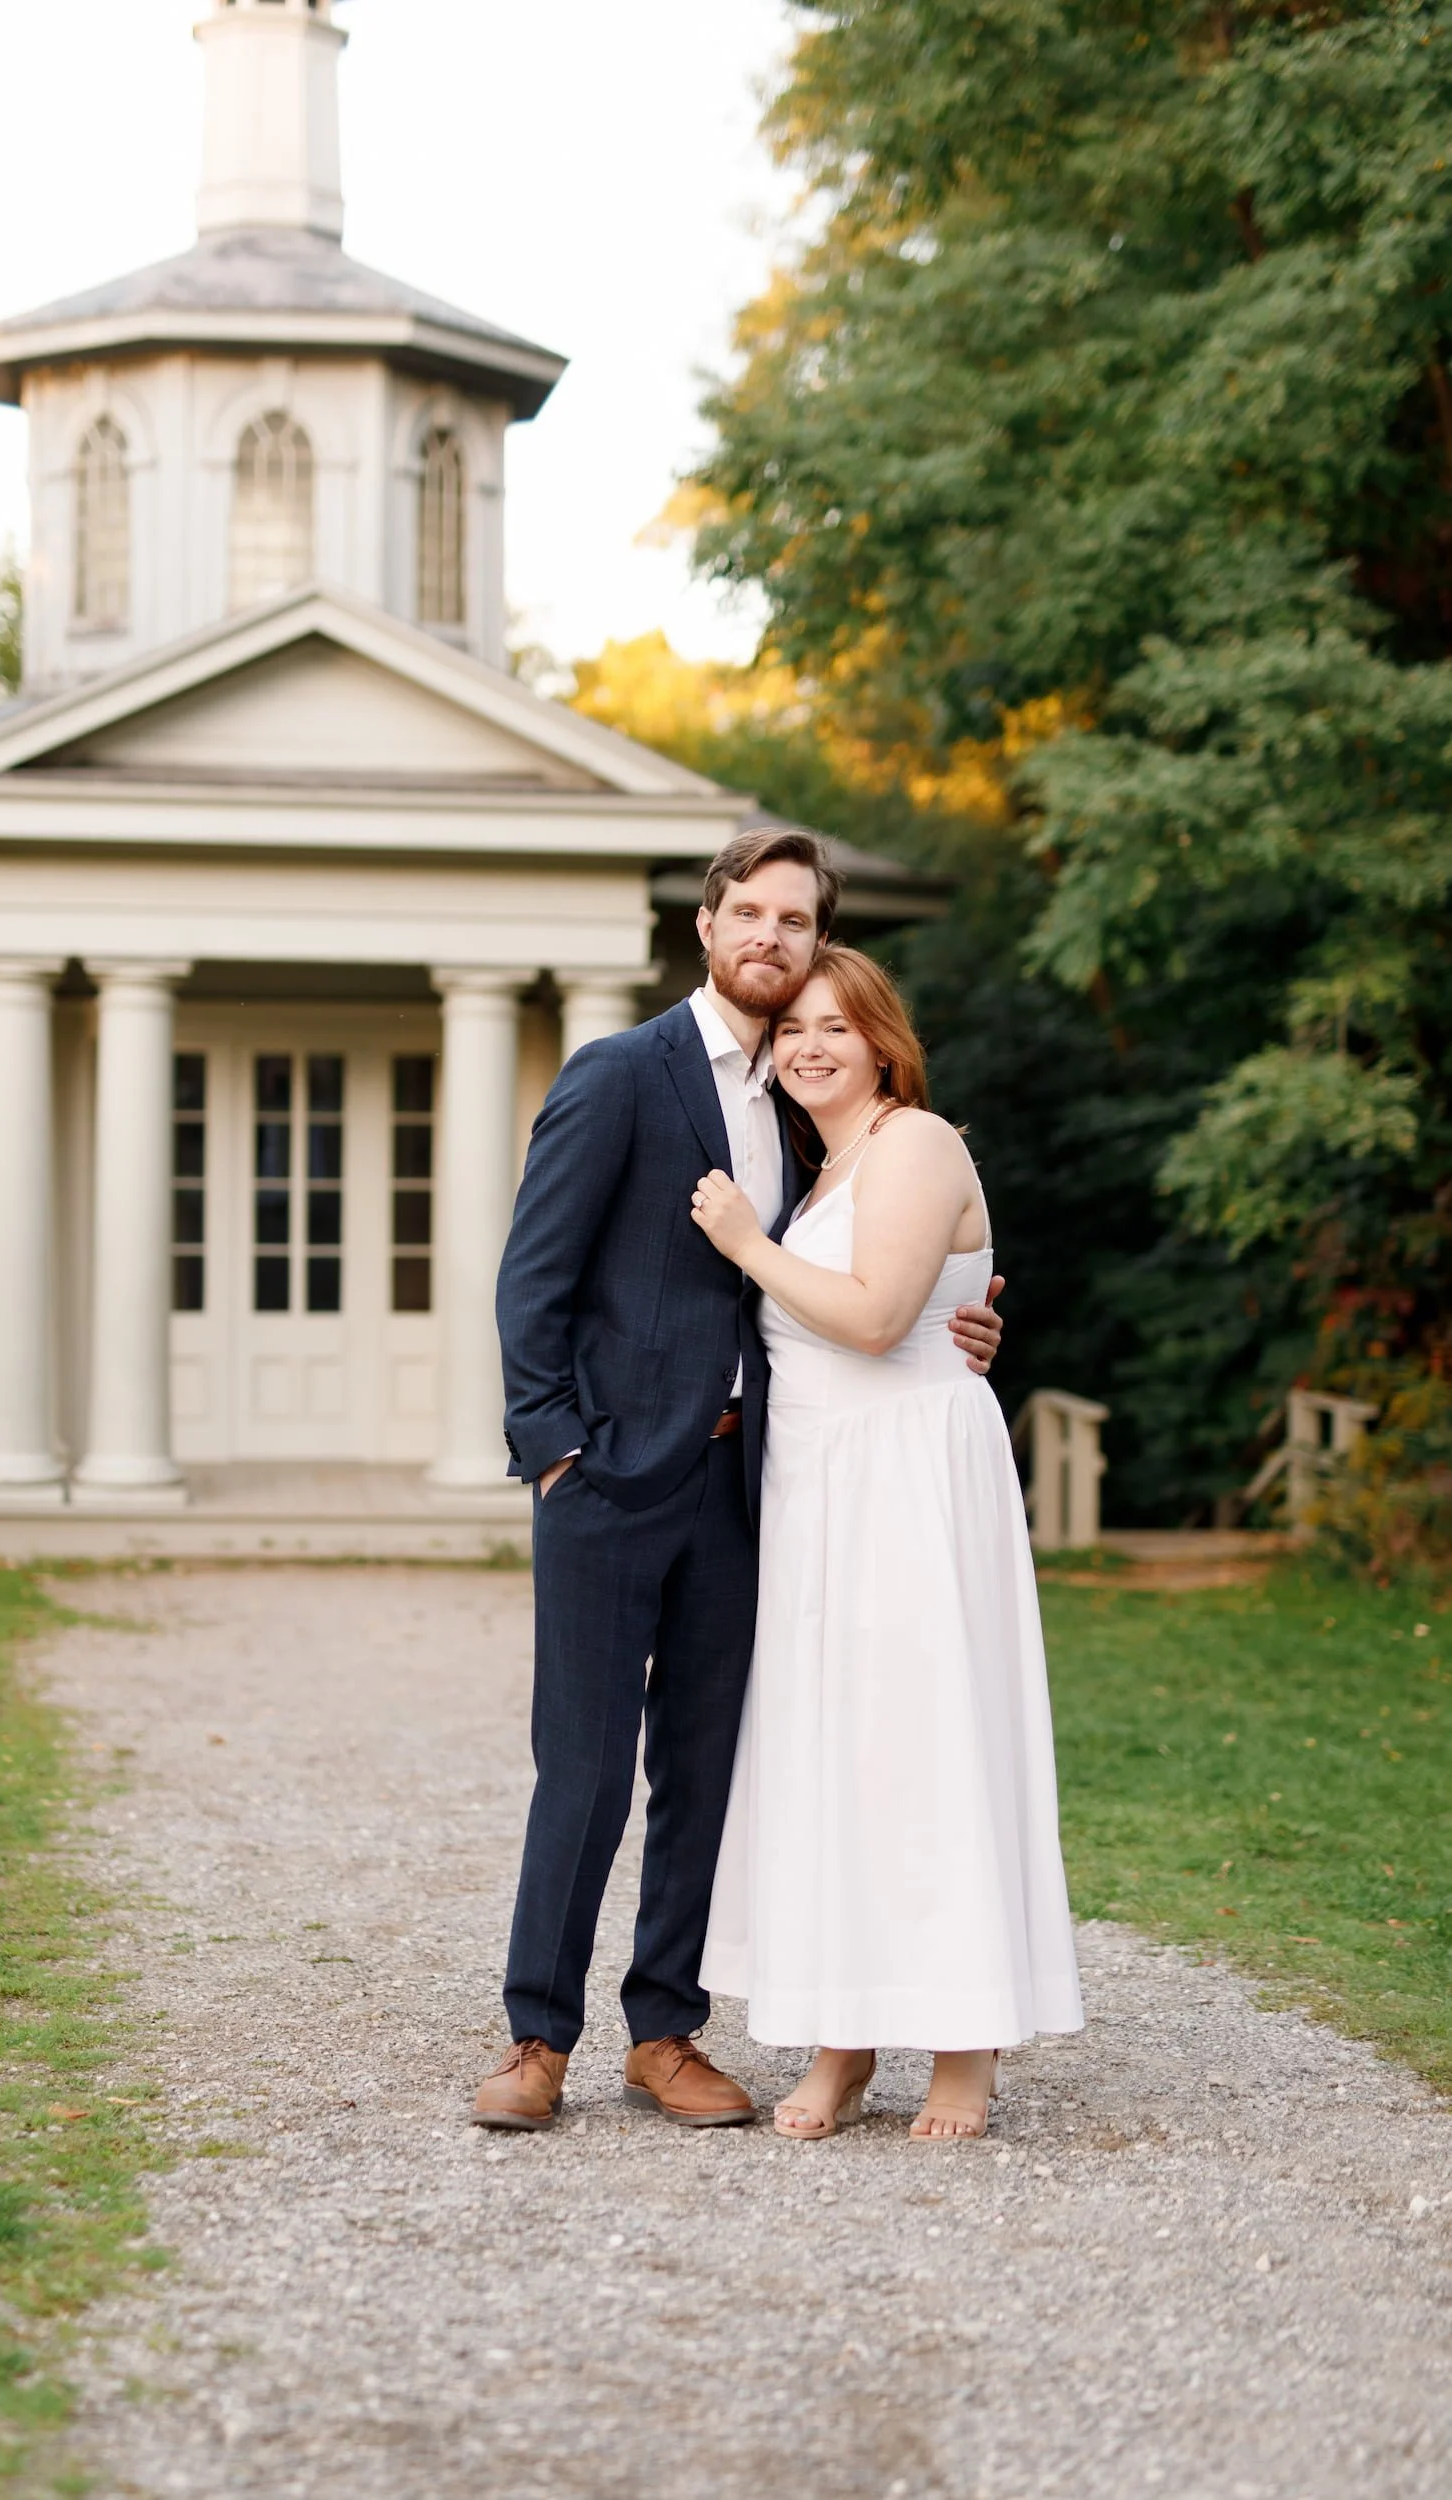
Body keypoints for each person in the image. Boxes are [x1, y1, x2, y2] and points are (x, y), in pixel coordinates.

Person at [472, 830, 1006, 2131]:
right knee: (585, 1765)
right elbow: (530, 1279)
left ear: (814, 945)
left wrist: (967, 1320)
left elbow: (882, 1258)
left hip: (751, 1486)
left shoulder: (807, 1099)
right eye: (748, 914)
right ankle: (535, 2041)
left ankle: (665, 2033)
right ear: (706, 925)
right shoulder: (618, 1076)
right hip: (606, 1480)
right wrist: (552, 1451)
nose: (769, 937)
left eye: (794, 921)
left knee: (710, 1765)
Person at [695, 946, 1083, 2139]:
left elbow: (871, 1321)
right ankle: (843, 2039)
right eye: (793, 1028)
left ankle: (965, 2050)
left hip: (906, 1480)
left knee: (927, 1744)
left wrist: (744, 1245)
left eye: (836, 1026)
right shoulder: (826, 1168)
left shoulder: (914, 1140)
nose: (809, 1044)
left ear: (880, 1043)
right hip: (819, 1493)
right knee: (830, 1757)